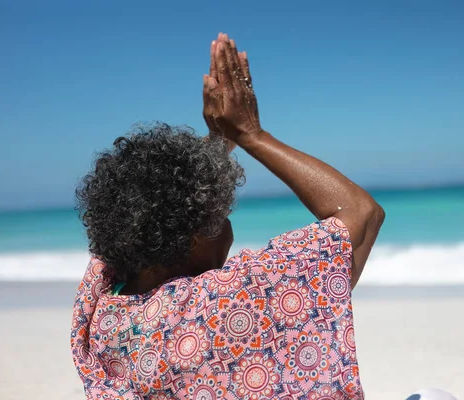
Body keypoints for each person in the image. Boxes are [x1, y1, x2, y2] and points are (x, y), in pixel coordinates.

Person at [71, 33, 384, 399]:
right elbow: (361, 214)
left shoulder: (103, 307)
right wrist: (251, 134)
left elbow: (146, 207)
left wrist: (217, 142)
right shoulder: (219, 306)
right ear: (193, 237)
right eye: (222, 213)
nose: (229, 227)